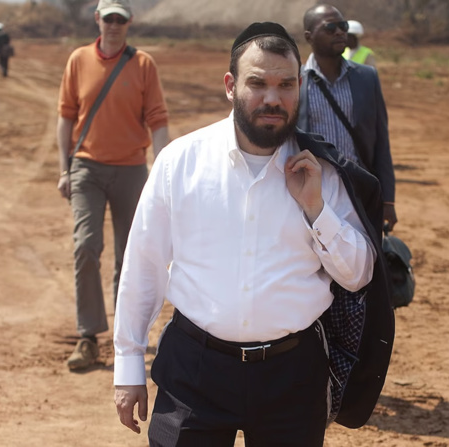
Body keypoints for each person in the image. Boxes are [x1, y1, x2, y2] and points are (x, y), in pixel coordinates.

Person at [113, 21, 389, 446]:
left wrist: (316, 210)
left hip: (292, 375)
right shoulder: (180, 162)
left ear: (299, 87)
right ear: (231, 86)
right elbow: (143, 265)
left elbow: (358, 276)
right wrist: (128, 365)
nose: (272, 99)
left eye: (285, 85)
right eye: (257, 83)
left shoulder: (325, 173)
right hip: (194, 373)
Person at [56, 0, 169, 371]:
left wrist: (162, 174)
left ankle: (126, 337)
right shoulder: (78, 60)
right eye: (109, 19)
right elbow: (66, 117)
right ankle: (88, 336)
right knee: (86, 245)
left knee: (129, 255)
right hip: (86, 167)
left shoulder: (143, 64)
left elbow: (158, 121)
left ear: (129, 22)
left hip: (131, 170)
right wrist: (64, 170)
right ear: (98, 20)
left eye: (120, 19)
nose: (114, 24)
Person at [298, 4, 398, 231]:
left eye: (343, 26)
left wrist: (388, 200)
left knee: (362, 252)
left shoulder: (367, 78)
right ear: (309, 36)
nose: (340, 32)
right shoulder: (296, 82)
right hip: (314, 195)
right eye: (330, 27)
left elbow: (381, 141)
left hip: (360, 193)